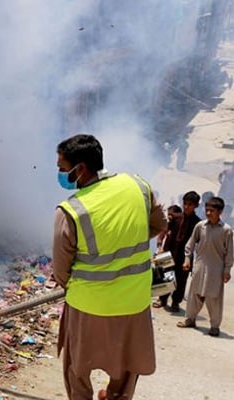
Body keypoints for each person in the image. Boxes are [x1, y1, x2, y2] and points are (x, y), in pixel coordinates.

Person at [53, 134, 167, 400]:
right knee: (127, 365)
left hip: (87, 305)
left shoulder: (71, 210)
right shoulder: (138, 186)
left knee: (77, 367)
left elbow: (61, 271)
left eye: (61, 168)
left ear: (79, 169)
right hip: (134, 302)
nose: (59, 173)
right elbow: (160, 225)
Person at [176, 196, 233, 337]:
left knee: (214, 298)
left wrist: (227, 270)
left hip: (216, 269)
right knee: (194, 294)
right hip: (199, 266)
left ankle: (214, 326)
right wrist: (187, 260)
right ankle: (190, 319)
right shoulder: (200, 226)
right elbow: (189, 245)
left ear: (220, 212)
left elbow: (230, 253)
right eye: (207, 210)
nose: (208, 213)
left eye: (212, 211)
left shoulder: (226, 230)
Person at [154, 191, 201, 312]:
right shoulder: (175, 217)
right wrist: (160, 246)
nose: (186, 207)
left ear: (196, 205)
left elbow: (198, 242)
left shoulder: (198, 223)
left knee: (181, 279)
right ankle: (162, 299)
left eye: (190, 204)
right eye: (185, 203)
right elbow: (163, 231)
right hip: (169, 251)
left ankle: (176, 302)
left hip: (184, 255)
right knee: (165, 275)